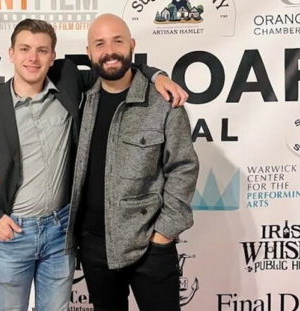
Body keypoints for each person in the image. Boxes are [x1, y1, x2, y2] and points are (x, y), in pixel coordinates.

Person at [0, 18, 187, 311]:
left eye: (42, 50)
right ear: (11, 53)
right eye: (24, 49)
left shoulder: (69, 81)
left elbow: (114, 67)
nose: (32, 58)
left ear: (53, 57)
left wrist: (157, 75)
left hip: (61, 233)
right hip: (13, 234)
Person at [65, 14, 200, 311]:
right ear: (89, 53)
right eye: (99, 44)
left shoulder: (163, 101)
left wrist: (163, 235)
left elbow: (184, 167)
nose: (109, 51)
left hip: (149, 246)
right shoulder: (82, 100)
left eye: (118, 41)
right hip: (94, 246)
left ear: (132, 45)